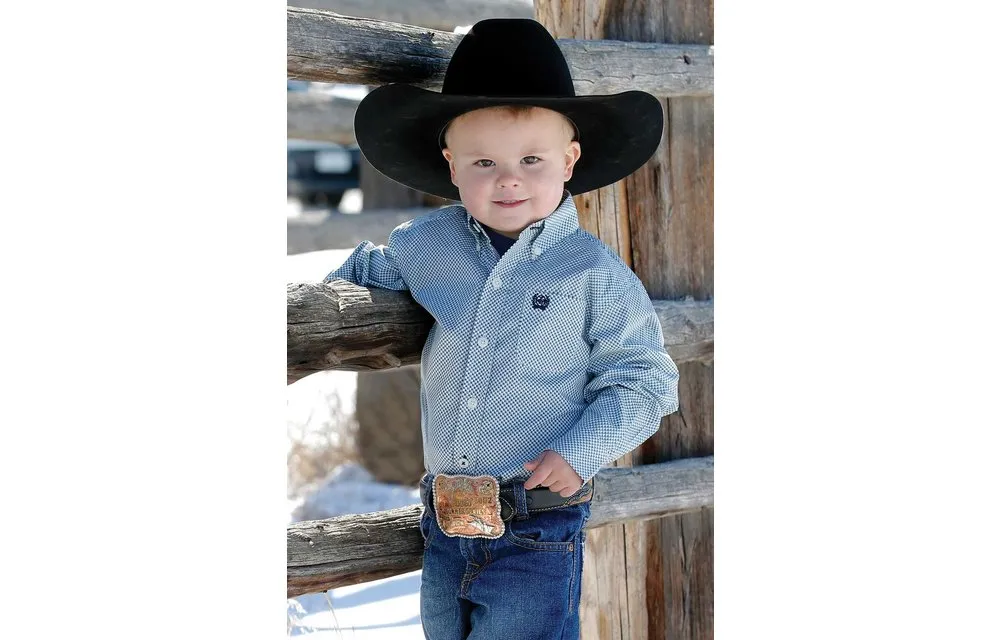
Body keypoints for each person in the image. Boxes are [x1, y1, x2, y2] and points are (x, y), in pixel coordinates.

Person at [323, 18, 680, 640]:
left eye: (531, 159)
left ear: (571, 161)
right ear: (450, 165)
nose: (508, 178)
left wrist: (579, 453)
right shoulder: (428, 245)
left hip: (536, 520)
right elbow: (369, 271)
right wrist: (331, 297)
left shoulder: (593, 274)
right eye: (483, 161)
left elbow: (645, 382)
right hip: (446, 515)